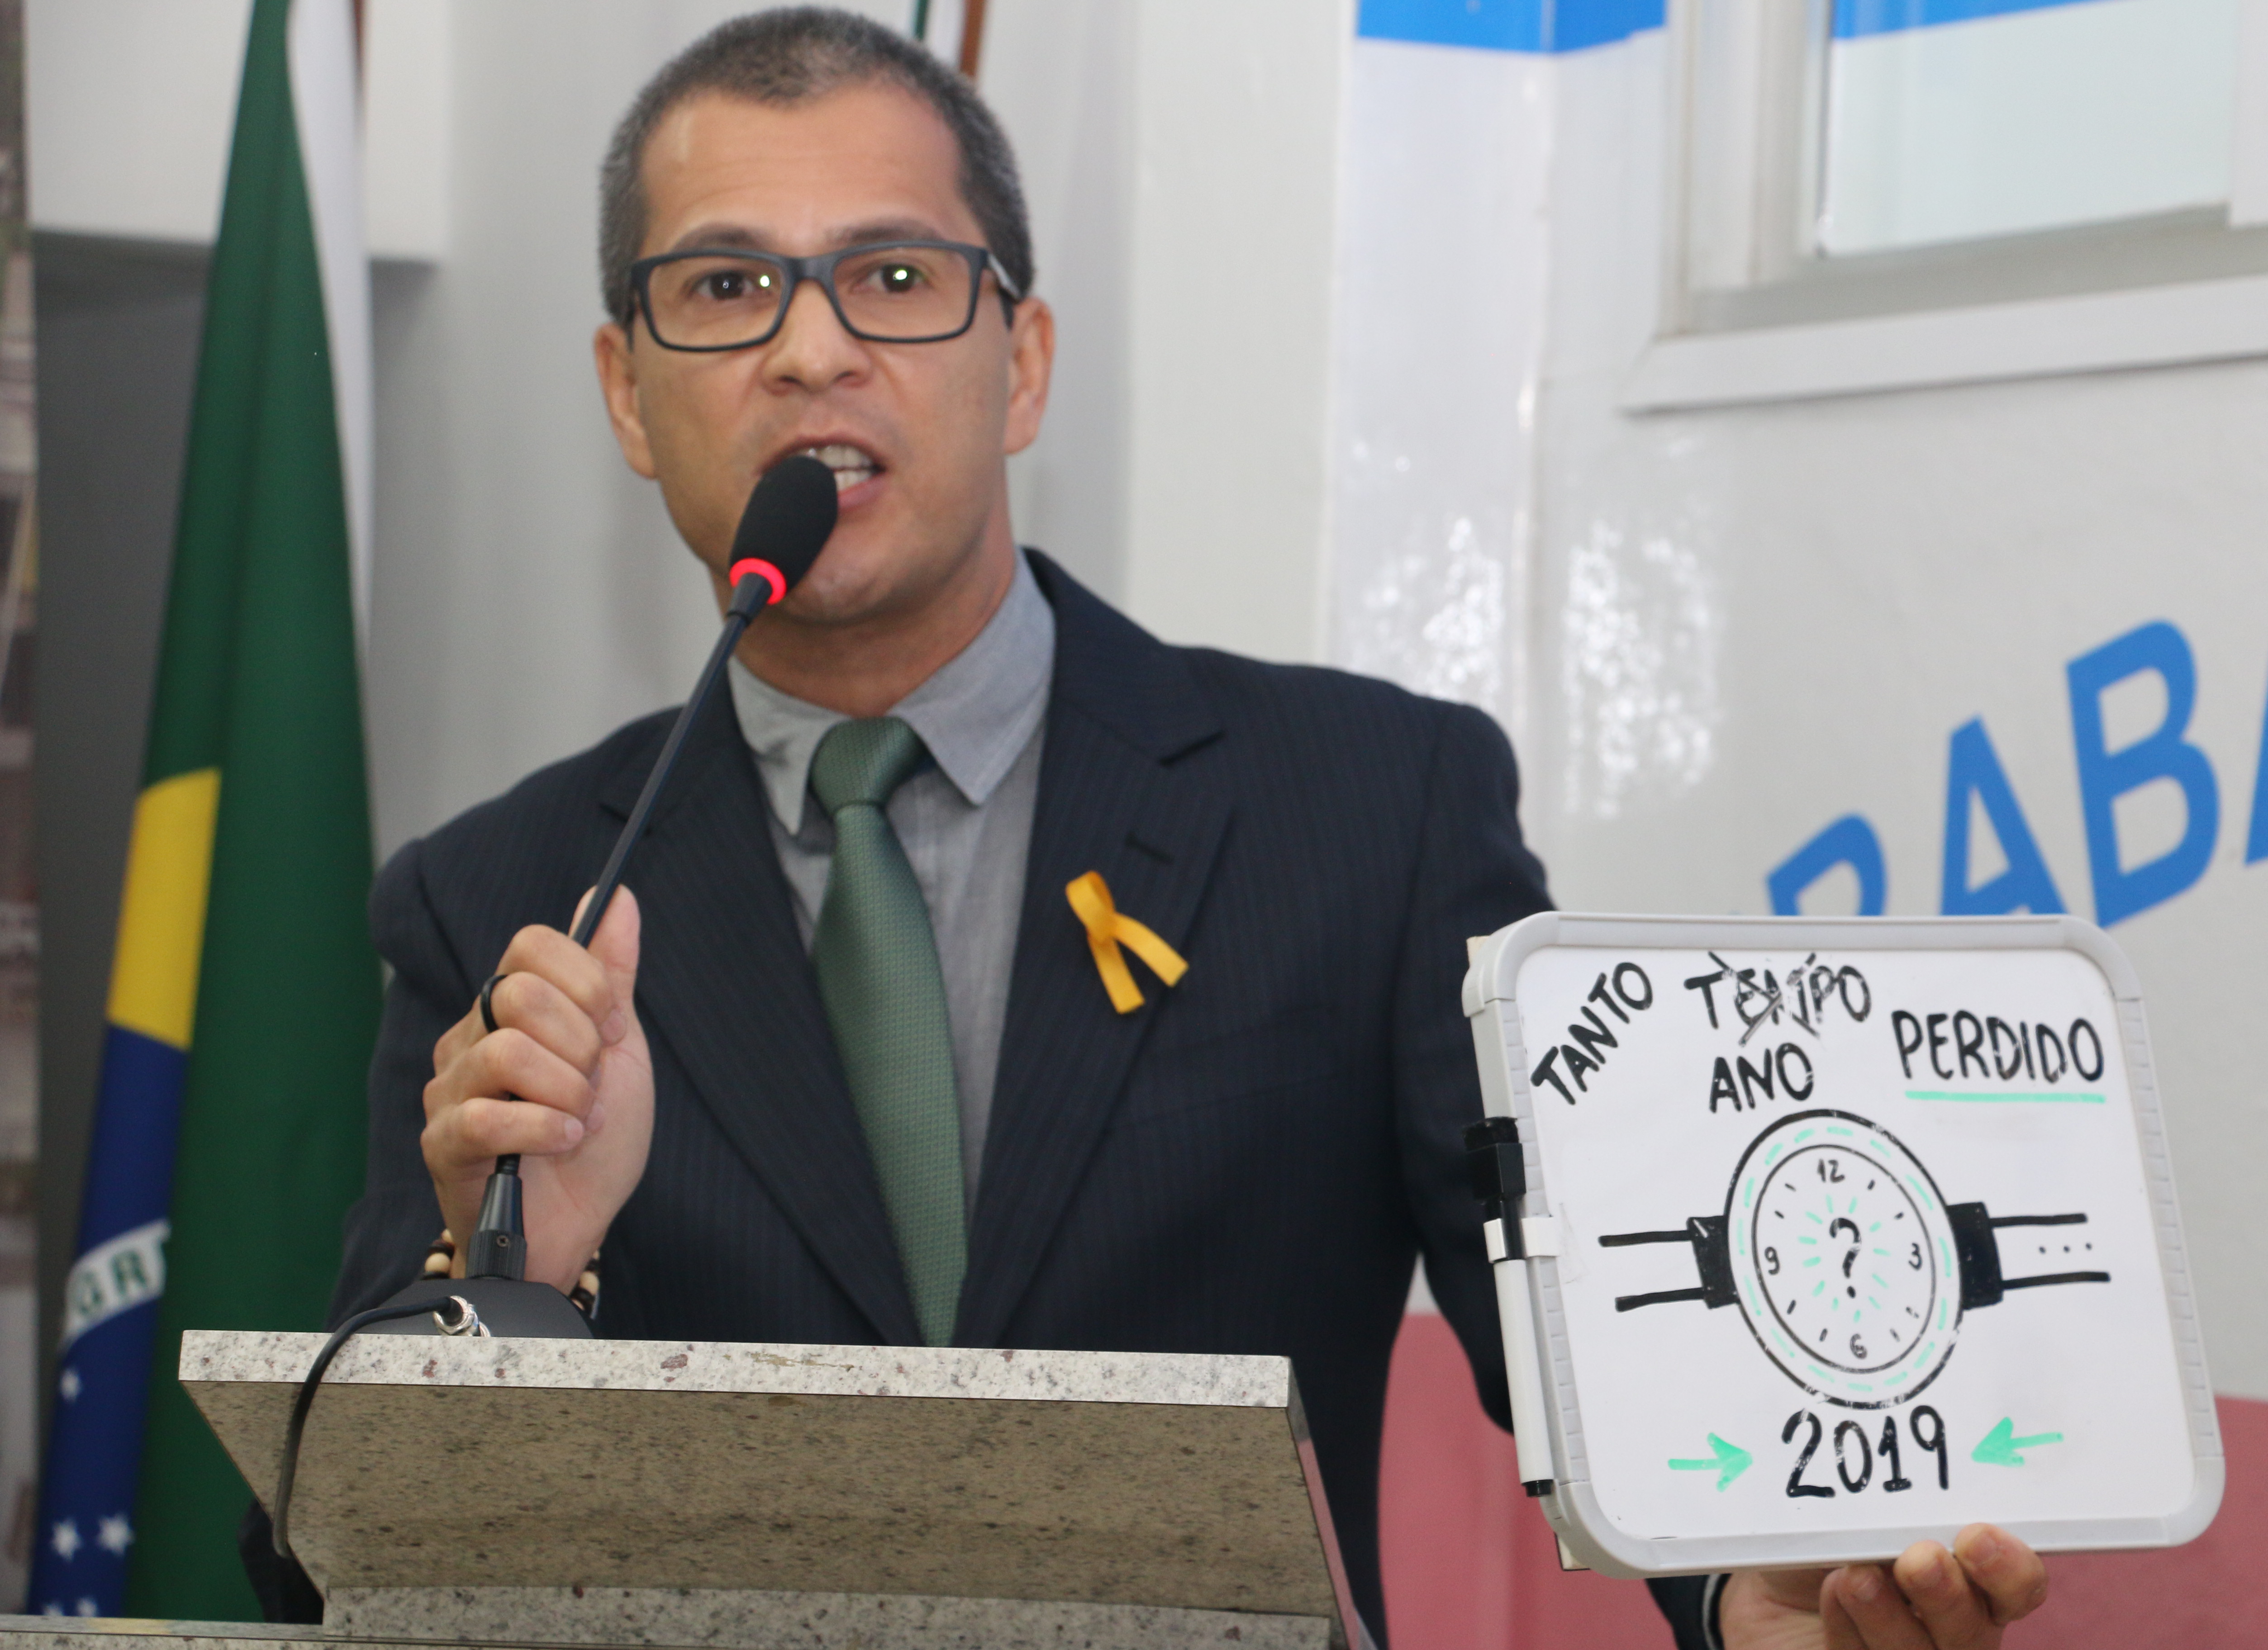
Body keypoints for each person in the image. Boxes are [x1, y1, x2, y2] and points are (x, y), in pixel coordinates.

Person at [301, 10, 2050, 1646]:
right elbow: (325, 1549)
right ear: (628, 391)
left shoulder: (1372, 809)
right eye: (727, 286)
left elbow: (1581, 1322)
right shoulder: (505, 903)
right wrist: (522, 1262)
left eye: (895, 277)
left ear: (1024, 365)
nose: (812, 349)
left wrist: (1751, 1588)